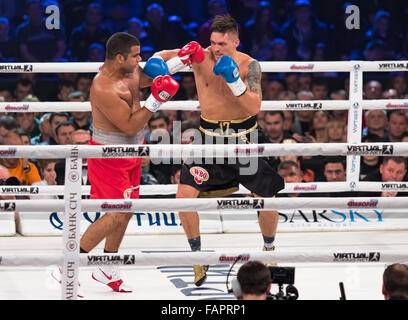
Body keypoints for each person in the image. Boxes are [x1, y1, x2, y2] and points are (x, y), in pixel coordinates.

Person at [155, 14, 284, 287]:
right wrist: (179, 59)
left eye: (222, 44)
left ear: (236, 41)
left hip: (244, 136)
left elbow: (254, 107)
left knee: (266, 195)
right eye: (213, 42)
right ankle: (197, 255)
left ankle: (270, 251)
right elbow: (157, 61)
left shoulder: (249, 65)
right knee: (184, 196)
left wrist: (234, 80)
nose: (216, 49)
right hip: (208, 137)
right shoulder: (199, 56)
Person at [76, 32, 179, 293]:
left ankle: (107, 265)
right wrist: (157, 100)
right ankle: (68, 263)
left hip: (132, 150)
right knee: (117, 213)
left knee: (127, 209)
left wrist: (186, 54)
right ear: (120, 57)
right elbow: (130, 123)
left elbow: (159, 63)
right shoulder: (104, 87)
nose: (140, 59)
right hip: (109, 153)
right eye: (135, 56)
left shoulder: (130, 71)